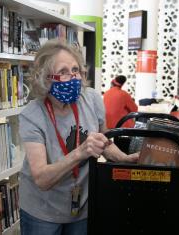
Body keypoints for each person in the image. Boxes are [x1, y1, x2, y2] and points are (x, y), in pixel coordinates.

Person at [18, 40, 139, 235]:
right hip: (43, 210)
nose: (73, 77)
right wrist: (81, 152)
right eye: (64, 71)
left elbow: (104, 141)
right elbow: (41, 179)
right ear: (46, 78)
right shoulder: (32, 115)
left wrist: (124, 158)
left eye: (76, 69)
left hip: (81, 207)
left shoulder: (91, 99)